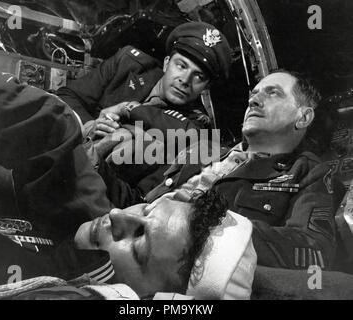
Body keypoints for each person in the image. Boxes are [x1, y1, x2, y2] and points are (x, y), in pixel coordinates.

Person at [0, 64, 255, 300]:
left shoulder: (193, 136)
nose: (117, 215)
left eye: (138, 241)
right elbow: (51, 129)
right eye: (146, 210)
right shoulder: (86, 202)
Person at [140, 70, 346, 270]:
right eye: (254, 94)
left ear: (303, 118)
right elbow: (141, 200)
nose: (252, 101)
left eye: (273, 93)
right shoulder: (203, 152)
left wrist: (202, 226)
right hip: (134, 232)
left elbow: (315, 250)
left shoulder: (308, 172)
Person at [56, 21, 232, 187]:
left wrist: (128, 108)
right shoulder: (128, 64)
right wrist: (89, 125)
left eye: (199, 76)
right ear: (166, 63)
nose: (185, 80)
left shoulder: (196, 122)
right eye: (181, 66)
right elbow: (68, 95)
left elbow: (193, 138)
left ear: (205, 87)